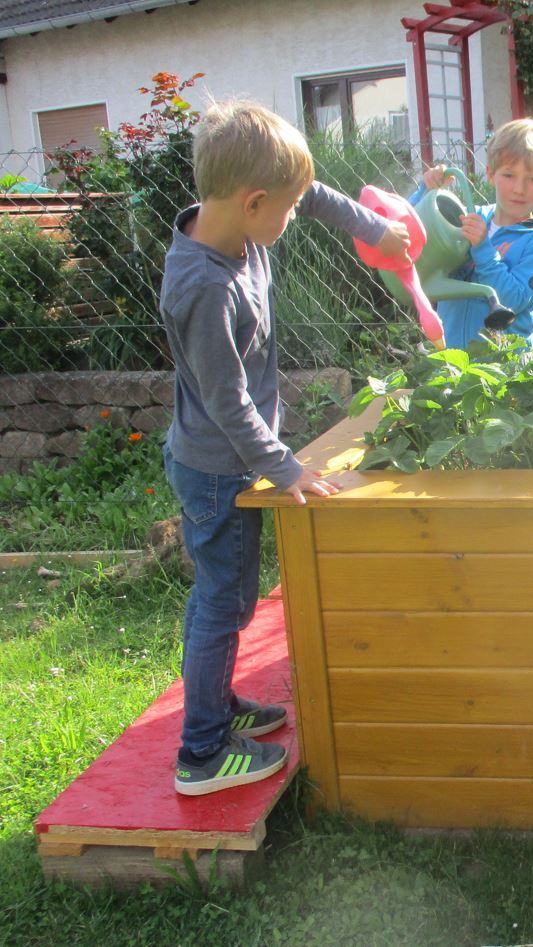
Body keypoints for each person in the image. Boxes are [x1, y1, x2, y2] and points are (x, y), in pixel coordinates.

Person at [161, 101, 410, 795]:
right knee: (224, 601)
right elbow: (226, 400)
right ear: (253, 201)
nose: (296, 217)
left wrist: (376, 229)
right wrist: (285, 466)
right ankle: (202, 752)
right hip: (218, 468)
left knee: (227, 598)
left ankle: (217, 702)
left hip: (226, 460)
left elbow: (318, 194)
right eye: (288, 207)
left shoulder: (236, 224)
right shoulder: (202, 288)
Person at [408, 118, 533, 350]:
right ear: (490, 174)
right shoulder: (471, 216)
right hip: (451, 355)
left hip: (503, 369)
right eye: (509, 175)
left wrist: (482, 248)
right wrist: (425, 192)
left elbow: (513, 300)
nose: (519, 189)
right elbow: (409, 234)